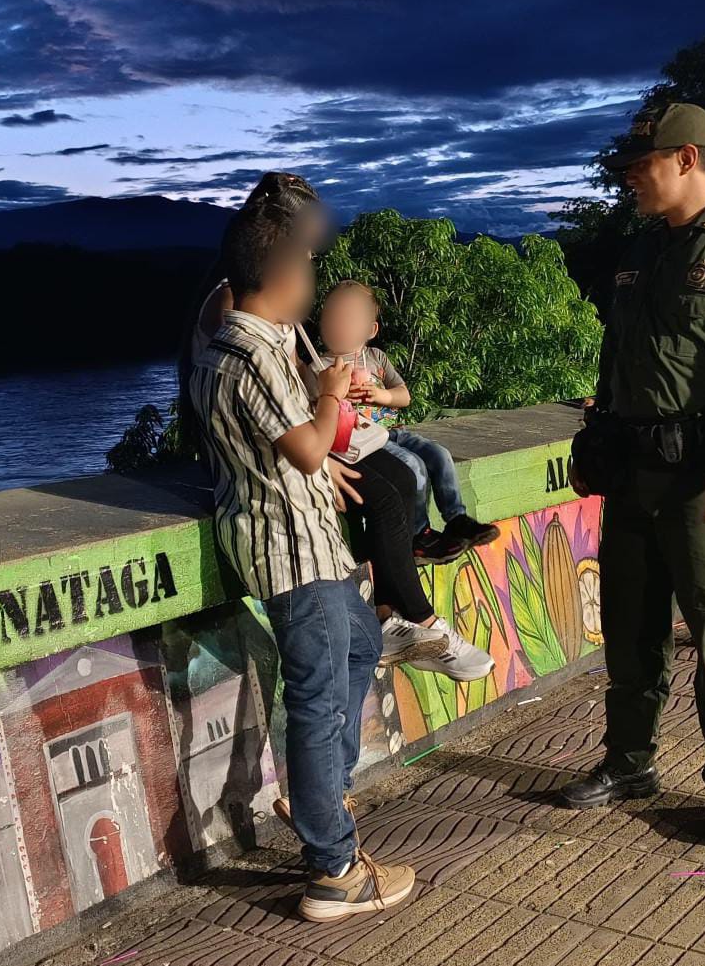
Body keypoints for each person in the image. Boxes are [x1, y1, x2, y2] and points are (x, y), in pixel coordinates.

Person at [561, 103, 705, 847]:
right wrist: (598, 434)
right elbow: (619, 354)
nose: (631, 178)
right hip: (634, 474)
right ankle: (630, 762)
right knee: (630, 634)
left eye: (643, 165)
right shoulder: (641, 249)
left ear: (688, 160)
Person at [188, 177, 414, 922]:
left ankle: (320, 792)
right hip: (291, 550)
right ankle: (334, 869)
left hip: (313, 544)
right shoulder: (249, 352)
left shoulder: (237, 341)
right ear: (283, 276)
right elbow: (313, 450)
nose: (315, 283)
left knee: (357, 650)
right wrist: (330, 388)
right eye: (309, 269)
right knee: (316, 702)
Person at [190, 178, 493, 682]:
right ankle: (420, 621)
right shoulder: (234, 304)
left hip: (297, 444)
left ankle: (391, 613)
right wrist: (317, 446)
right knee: (383, 495)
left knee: (398, 479)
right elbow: (242, 400)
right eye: (304, 241)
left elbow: (288, 389)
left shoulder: (272, 303)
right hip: (261, 469)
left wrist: (325, 439)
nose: (312, 252)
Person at [311, 280, 501, 564]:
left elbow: (404, 396)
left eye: (350, 317)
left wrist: (381, 395)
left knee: (439, 454)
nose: (339, 324)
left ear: (370, 329)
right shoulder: (318, 366)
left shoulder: (376, 358)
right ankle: (419, 535)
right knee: (413, 466)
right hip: (361, 444)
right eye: (332, 315)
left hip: (390, 433)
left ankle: (457, 519)